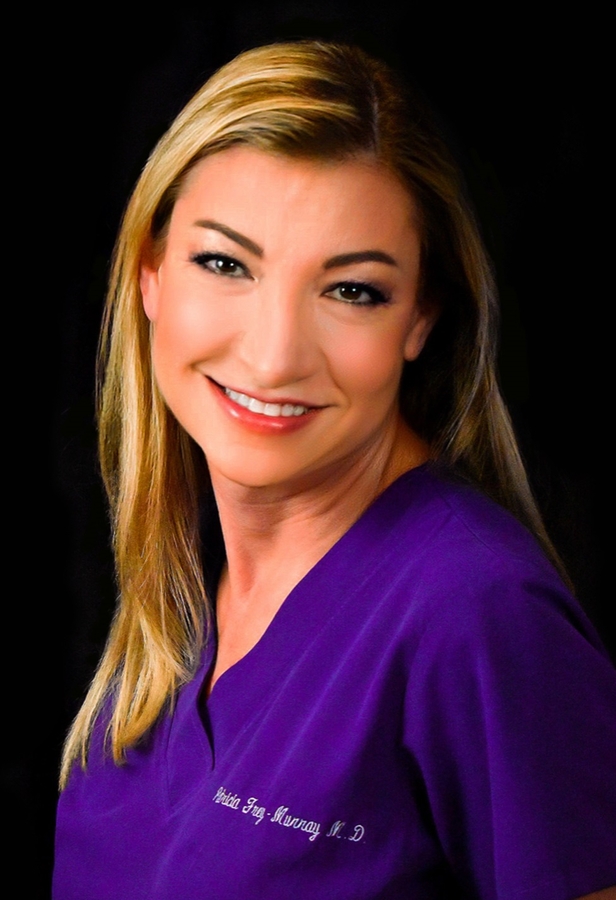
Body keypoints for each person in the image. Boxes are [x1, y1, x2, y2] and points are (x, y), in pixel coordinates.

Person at [53, 40, 616, 900]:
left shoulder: (476, 615)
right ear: (150, 273)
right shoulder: (184, 588)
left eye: (352, 290)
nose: (274, 357)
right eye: (225, 264)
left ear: (420, 319)